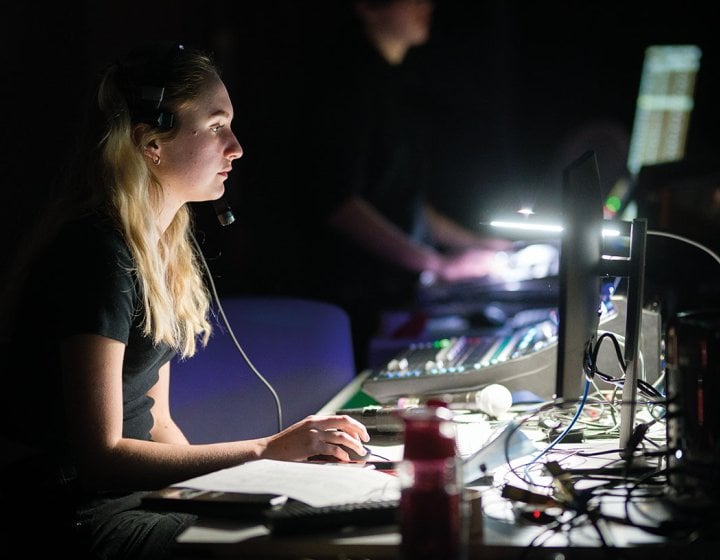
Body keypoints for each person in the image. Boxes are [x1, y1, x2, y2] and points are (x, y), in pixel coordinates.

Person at [0, 41, 370, 559]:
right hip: (77, 517)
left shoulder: (159, 248)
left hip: (132, 501)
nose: (236, 146)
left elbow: (158, 424)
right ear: (151, 143)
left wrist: (244, 490)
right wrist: (265, 451)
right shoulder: (98, 254)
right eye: (217, 126)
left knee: (321, 523)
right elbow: (100, 458)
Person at [223, 0, 511, 370]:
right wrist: (438, 265)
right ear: (368, 8)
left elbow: (401, 197)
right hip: (349, 301)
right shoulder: (346, 84)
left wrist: (474, 243)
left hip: (390, 293)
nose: (425, 5)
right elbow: (337, 202)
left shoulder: (394, 80)